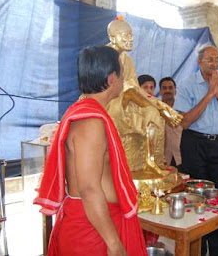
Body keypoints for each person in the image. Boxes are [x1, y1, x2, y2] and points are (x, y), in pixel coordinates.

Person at [33, 46, 147, 255]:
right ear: (113, 78)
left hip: (97, 220)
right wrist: (114, 243)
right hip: (92, 228)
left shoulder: (87, 112)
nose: (124, 79)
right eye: (122, 72)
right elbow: (88, 188)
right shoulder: (90, 121)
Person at [174, 44, 218, 256]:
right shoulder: (187, 84)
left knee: (217, 194)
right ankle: (197, 250)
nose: (214, 63)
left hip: (217, 145)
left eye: (217, 59)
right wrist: (209, 94)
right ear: (199, 62)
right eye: (210, 59)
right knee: (196, 195)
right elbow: (184, 122)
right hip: (194, 143)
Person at [105, 16, 182, 172]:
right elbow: (128, 89)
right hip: (108, 104)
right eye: (126, 35)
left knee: (153, 113)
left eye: (131, 35)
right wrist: (160, 104)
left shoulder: (127, 60)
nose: (131, 39)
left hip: (127, 101)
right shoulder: (103, 57)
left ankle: (151, 161)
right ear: (112, 37)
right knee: (152, 108)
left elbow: (133, 88)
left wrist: (158, 107)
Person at [159, 77, 182, 168]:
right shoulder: (155, 109)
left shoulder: (183, 109)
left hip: (181, 156)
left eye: (170, 88)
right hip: (162, 157)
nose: (167, 90)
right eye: (164, 88)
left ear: (175, 91)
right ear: (160, 91)